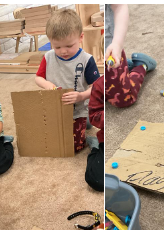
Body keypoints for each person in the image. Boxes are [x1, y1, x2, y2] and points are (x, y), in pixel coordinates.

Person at [35, 9, 100, 152]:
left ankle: (86, 122)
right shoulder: (48, 57)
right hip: (55, 109)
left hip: (78, 109)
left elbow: (97, 87)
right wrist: (47, 84)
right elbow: (38, 78)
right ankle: (86, 122)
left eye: (69, 46)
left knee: (74, 147)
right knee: (51, 141)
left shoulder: (86, 60)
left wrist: (81, 96)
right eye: (57, 46)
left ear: (81, 37)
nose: (63, 51)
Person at [104, 4, 157, 108]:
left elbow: (119, 6)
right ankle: (125, 66)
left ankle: (142, 65)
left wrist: (117, 44)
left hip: (111, 52)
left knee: (124, 99)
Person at [85, 75, 104, 192]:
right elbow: (94, 116)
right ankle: (96, 148)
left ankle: (142, 65)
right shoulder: (100, 84)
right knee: (97, 181)